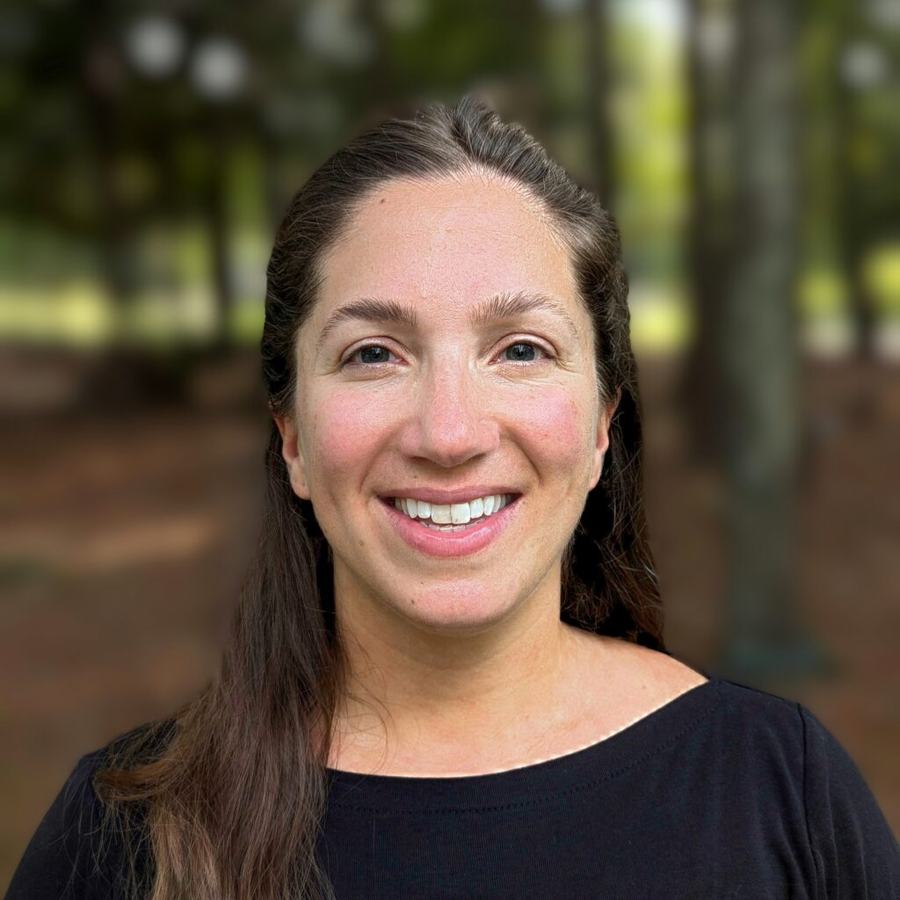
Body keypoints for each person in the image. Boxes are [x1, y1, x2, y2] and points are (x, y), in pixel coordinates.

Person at [7, 95, 897, 900]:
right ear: (293, 439)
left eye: (520, 349)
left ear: (599, 428)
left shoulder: (781, 792)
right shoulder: (123, 833)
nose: (448, 433)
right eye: (373, 354)